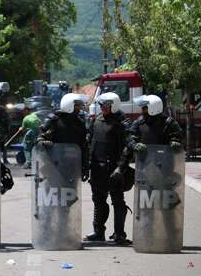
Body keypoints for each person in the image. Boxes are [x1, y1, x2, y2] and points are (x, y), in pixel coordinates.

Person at [85, 92, 131, 244]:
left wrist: (121, 168)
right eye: (101, 105)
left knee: (118, 201)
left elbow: (127, 148)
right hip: (97, 168)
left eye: (105, 106)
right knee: (98, 200)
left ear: (114, 106)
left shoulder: (122, 123)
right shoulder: (97, 120)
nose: (102, 108)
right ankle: (98, 232)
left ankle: (119, 234)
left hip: (114, 169)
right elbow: (90, 141)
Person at [37, 93, 90, 180]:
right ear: (69, 105)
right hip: (54, 165)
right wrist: (42, 142)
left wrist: (85, 167)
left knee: (72, 192)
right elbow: (39, 138)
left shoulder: (80, 123)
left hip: (72, 166)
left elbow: (84, 146)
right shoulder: (53, 121)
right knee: (52, 191)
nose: (79, 109)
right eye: (77, 106)